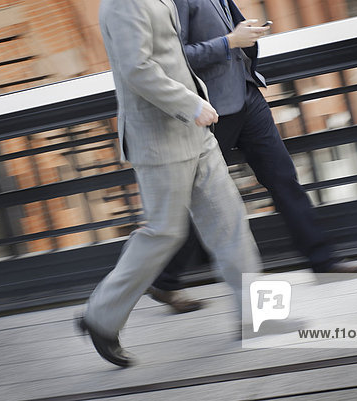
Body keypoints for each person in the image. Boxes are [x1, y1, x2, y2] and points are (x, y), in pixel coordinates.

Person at [148, 0, 357, 312]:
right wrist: (230, 41)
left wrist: (247, 37)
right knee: (200, 196)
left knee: (283, 177)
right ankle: (165, 280)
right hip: (214, 110)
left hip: (247, 96)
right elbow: (177, 57)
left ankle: (324, 261)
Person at [77, 0, 263, 368]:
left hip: (197, 136)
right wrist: (190, 104)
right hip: (160, 140)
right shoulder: (121, 4)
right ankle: (101, 316)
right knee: (164, 233)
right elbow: (136, 67)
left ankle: (258, 318)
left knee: (230, 222)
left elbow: (173, 52)